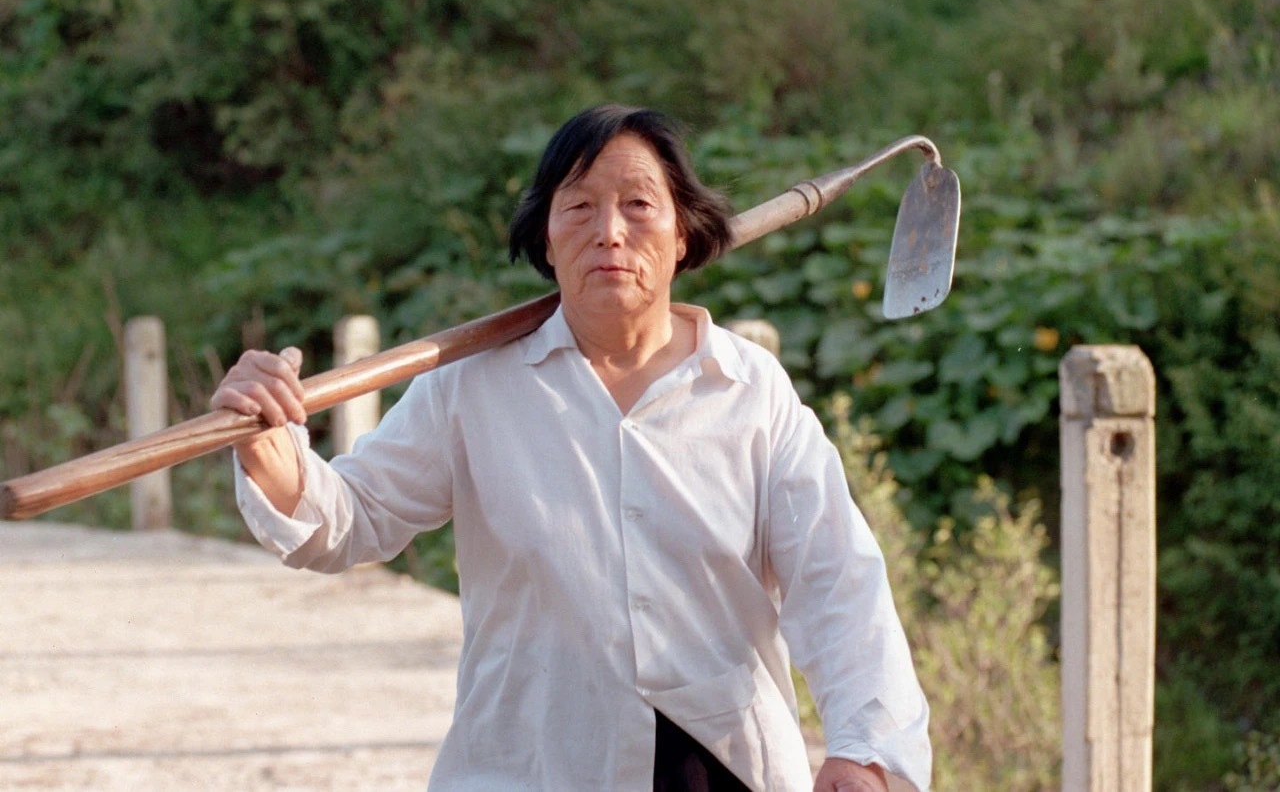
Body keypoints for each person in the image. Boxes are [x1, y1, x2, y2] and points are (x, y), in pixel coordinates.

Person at [212, 105, 931, 792]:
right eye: (579, 208)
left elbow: (837, 578)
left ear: (683, 234)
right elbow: (353, 515)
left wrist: (865, 751)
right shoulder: (473, 384)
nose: (609, 232)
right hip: (529, 764)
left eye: (639, 205)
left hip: (722, 768)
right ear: (547, 241)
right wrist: (271, 448)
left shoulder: (747, 389)